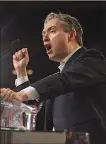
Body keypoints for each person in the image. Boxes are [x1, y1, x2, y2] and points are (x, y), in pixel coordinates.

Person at [1, 12, 106, 143]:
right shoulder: (58, 82)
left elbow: (66, 79)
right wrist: (21, 72)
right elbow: (34, 111)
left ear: (71, 35)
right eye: (43, 34)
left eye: (52, 31)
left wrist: (21, 94)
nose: (45, 37)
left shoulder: (91, 58)